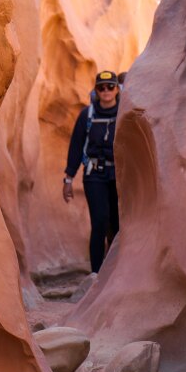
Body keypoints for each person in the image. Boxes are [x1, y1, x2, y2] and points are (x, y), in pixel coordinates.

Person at [62, 71, 120, 274]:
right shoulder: (87, 115)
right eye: (102, 87)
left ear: (117, 89)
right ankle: (96, 274)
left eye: (110, 87)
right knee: (100, 221)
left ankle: (115, 274)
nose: (106, 91)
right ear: (96, 90)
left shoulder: (124, 113)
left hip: (119, 176)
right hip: (94, 175)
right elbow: (76, 148)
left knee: (118, 224)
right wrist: (68, 178)